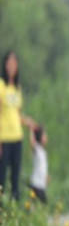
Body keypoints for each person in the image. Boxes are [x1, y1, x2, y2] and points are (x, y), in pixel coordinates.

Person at [0, 51, 35, 202]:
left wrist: (28, 122)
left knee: (15, 176)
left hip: (17, 138)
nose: (12, 66)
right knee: (1, 176)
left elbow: (17, 113)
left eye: (14, 63)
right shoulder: (1, 86)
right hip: (4, 138)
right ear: (5, 65)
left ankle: (15, 211)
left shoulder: (17, 88)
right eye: (9, 63)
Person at [28, 123, 48, 204]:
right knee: (40, 203)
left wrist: (46, 176)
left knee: (41, 203)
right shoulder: (37, 149)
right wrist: (31, 130)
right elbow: (32, 142)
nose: (46, 138)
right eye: (44, 136)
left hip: (41, 184)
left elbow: (43, 167)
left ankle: (33, 214)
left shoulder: (43, 151)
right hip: (36, 184)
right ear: (39, 137)